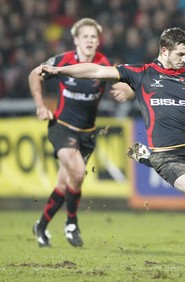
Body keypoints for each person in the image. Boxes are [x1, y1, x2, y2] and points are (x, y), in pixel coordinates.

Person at [35, 27, 185, 263]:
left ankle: (145, 156)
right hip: (168, 157)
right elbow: (94, 70)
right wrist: (60, 70)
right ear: (164, 51)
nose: (184, 59)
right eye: (180, 54)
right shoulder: (141, 73)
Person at [28, 18, 134, 248]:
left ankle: (41, 226)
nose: (89, 40)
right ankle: (72, 223)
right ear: (76, 40)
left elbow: (128, 85)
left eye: (93, 37)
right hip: (61, 127)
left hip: (87, 134)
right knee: (77, 171)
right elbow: (35, 74)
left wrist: (128, 91)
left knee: (65, 183)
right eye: (85, 36)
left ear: (98, 42)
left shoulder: (104, 64)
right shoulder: (63, 61)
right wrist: (39, 104)